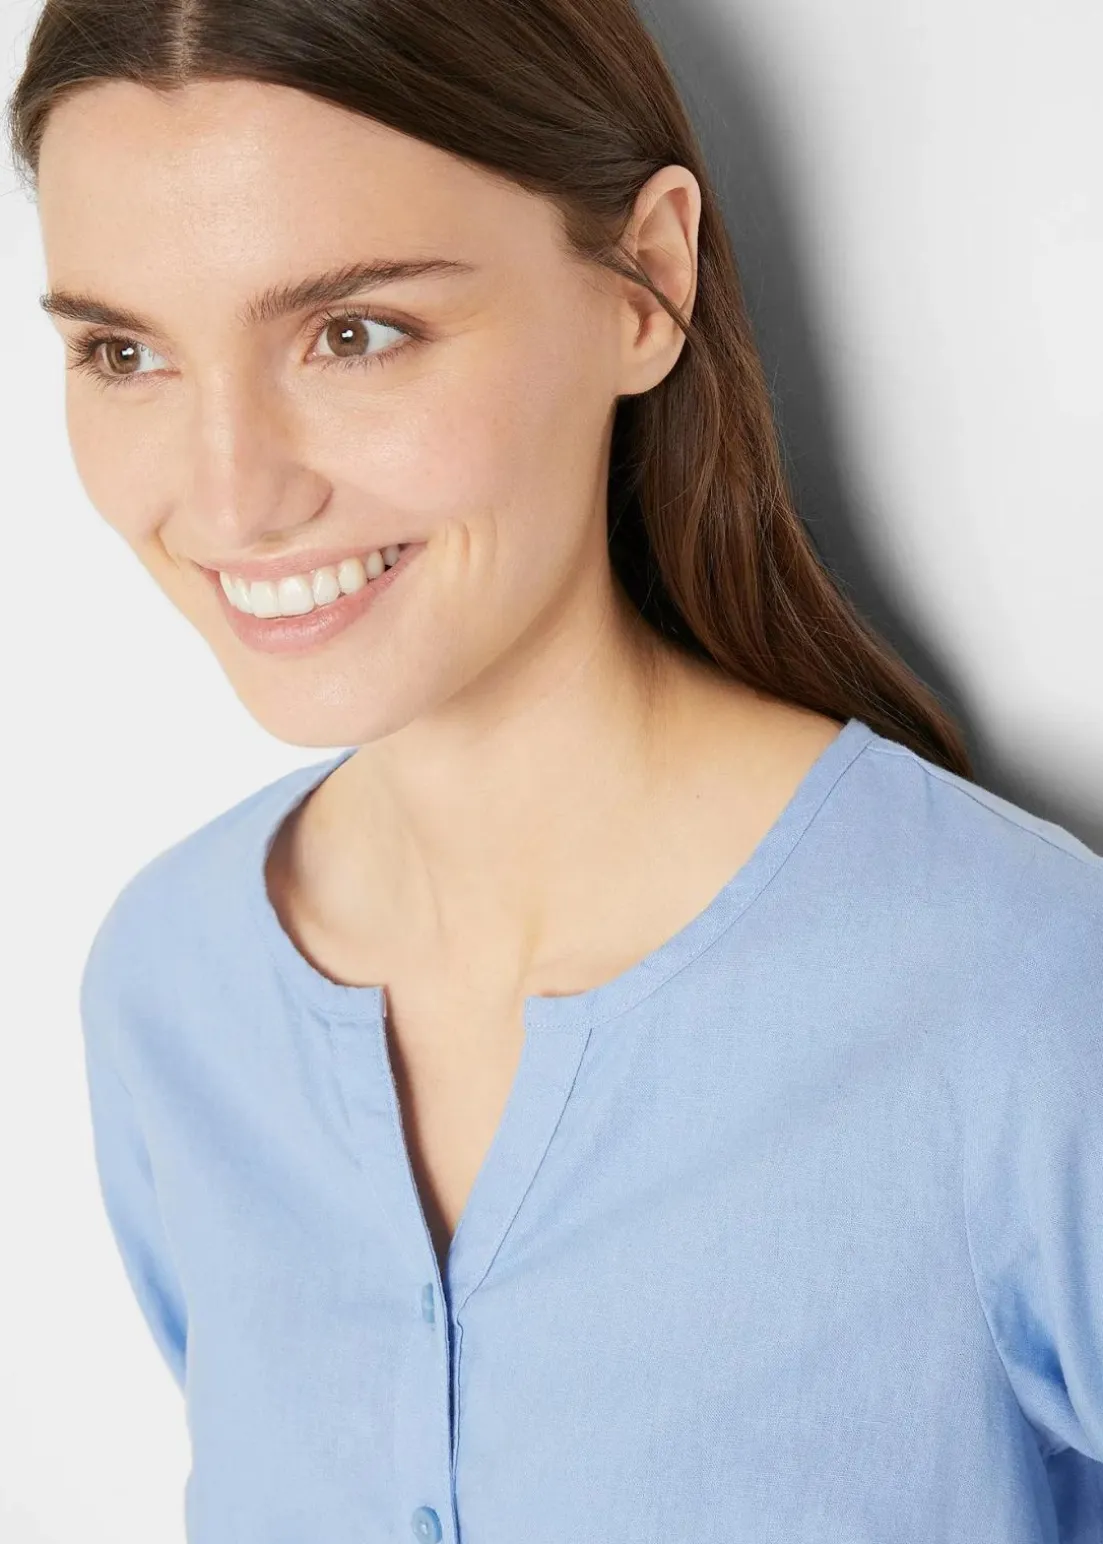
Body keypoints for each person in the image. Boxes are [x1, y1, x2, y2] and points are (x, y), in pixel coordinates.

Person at [8, 2, 1103, 1541]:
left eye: (352, 332)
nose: (230, 496)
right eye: (124, 353)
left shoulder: (1018, 1000)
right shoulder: (169, 989)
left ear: (645, 282)